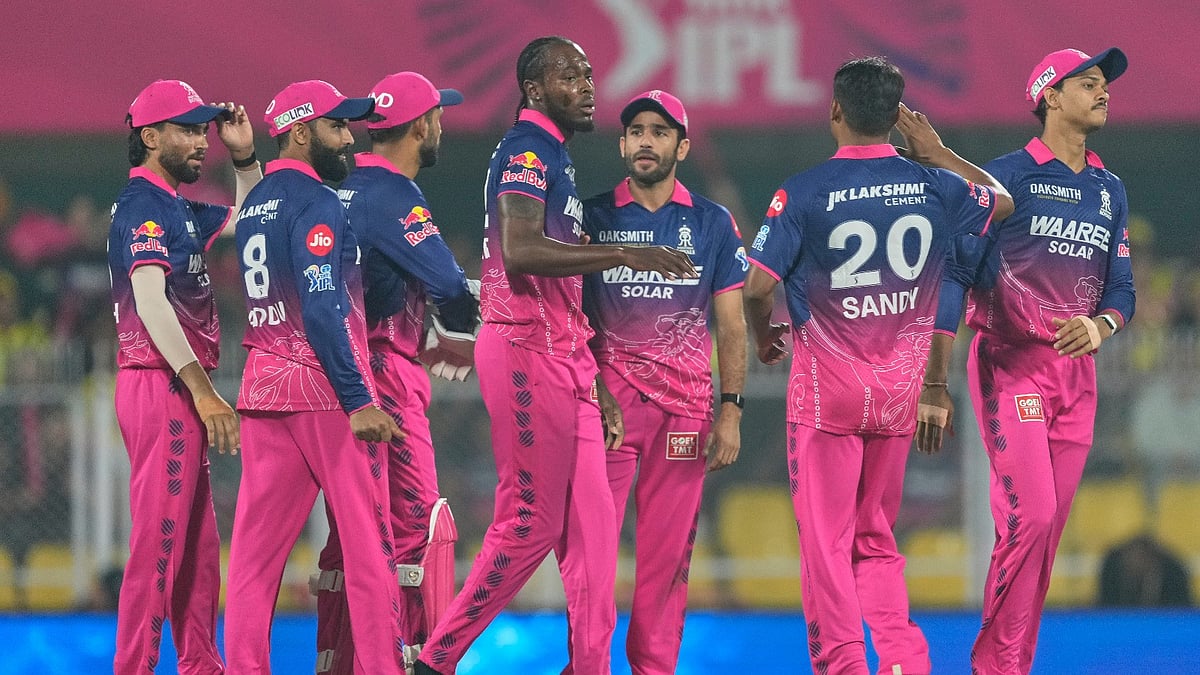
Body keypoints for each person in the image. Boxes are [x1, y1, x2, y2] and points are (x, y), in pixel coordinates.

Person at [413, 36, 696, 675]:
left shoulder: (557, 158)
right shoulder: (525, 149)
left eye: (591, 73)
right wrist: (625, 254)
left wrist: (594, 381)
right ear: (536, 90)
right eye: (572, 75)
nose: (589, 85)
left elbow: (561, 287)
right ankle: (435, 659)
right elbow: (519, 249)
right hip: (524, 351)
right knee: (530, 523)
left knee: (596, 541)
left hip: (568, 362)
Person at [743, 57, 1013, 675]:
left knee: (827, 545)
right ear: (897, 118)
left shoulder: (804, 190)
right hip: (898, 394)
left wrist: (764, 339)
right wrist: (938, 152)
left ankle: (843, 666)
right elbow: (1000, 203)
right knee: (876, 541)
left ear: (835, 110)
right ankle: (901, 660)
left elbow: (757, 287)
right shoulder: (936, 185)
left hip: (826, 397)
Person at [915, 47, 1135, 675]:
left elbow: (1122, 289)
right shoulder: (1004, 177)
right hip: (1011, 365)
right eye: (1087, 84)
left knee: (1043, 541)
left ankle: (1014, 664)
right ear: (1049, 95)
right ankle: (993, 667)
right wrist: (936, 378)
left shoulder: (1108, 188)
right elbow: (955, 271)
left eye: (1104, 86)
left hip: (1078, 381)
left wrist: (1101, 325)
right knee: (1029, 518)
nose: (1103, 93)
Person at [223, 80, 408, 674]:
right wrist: (358, 400)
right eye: (336, 126)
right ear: (301, 131)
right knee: (367, 549)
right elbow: (323, 305)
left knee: (253, 564)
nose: (349, 138)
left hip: (263, 387)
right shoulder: (319, 201)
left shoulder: (255, 205)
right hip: (327, 396)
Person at [311, 71, 477, 673]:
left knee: (352, 537)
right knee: (414, 532)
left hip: (338, 377)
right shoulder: (395, 196)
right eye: (438, 115)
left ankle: (340, 661)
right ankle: (404, 661)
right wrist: (456, 332)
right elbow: (452, 287)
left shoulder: (342, 192)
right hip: (386, 374)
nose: (441, 125)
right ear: (420, 126)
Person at [580, 89, 747, 674]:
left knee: (666, 561)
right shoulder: (590, 217)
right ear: (623, 144)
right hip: (606, 415)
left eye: (659, 131)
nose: (645, 140)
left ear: (682, 145)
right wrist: (592, 390)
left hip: (686, 415)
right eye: (636, 132)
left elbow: (731, 323)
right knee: (590, 557)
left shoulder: (711, 222)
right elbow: (568, 317)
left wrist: (731, 408)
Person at [108, 79, 259, 674]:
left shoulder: (174, 205)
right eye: (189, 130)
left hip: (172, 386)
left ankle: (201, 665)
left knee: (197, 547)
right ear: (150, 136)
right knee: (159, 548)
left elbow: (256, 219)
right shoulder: (145, 204)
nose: (203, 142)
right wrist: (202, 391)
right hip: (162, 385)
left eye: (204, 130)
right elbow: (149, 301)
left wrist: (245, 156)